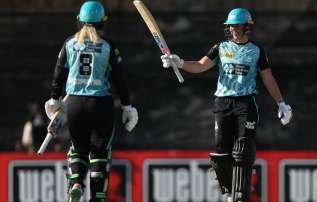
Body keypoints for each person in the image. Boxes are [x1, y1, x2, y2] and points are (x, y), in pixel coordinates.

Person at [161, 8, 292, 202]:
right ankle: (230, 191)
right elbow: (200, 65)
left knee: (243, 150)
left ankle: (242, 191)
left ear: (247, 26)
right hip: (223, 103)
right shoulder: (220, 47)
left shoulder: (256, 50)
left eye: (236, 25)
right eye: (229, 26)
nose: (232, 29)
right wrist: (179, 62)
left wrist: (281, 103)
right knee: (221, 154)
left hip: (245, 104)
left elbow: (268, 78)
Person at [44, 1, 138, 202]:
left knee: (77, 149)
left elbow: (58, 73)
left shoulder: (69, 44)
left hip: (75, 105)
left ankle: (76, 182)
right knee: (100, 154)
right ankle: (98, 197)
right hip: (101, 104)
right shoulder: (108, 47)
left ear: (79, 20)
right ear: (103, 22)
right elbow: (119, 79)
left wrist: (53, 98)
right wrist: (127, 106)